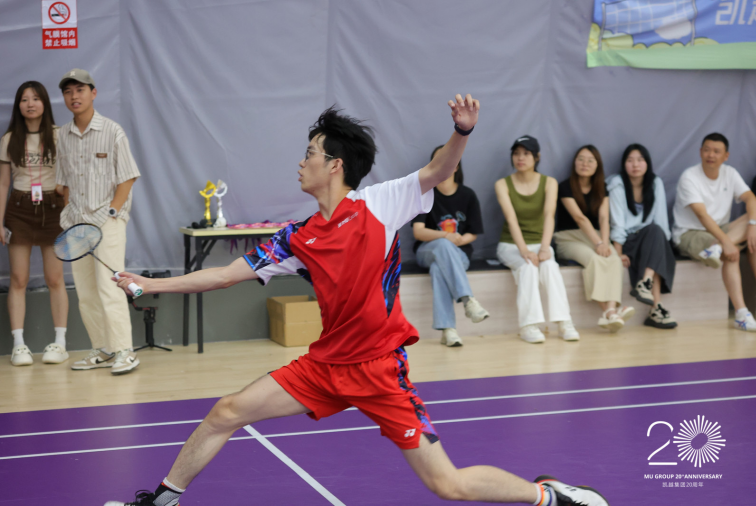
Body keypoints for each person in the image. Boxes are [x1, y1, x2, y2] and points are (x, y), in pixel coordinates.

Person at [105, 96, 608, 506]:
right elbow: (221, 276)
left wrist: (462, 131)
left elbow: (439, 169)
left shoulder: (379, 204)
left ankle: (550, 496)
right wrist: (151, 284)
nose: (301, 161)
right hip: (325, 366)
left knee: (447, 484)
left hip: (379, 369)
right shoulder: (296, 237)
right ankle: (161, 502)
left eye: (310, 153)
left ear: (335, 165)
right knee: (226, 411)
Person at [55, 69, 142, 374]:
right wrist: (70, 216)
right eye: (68, 92)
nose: (74, 96)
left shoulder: (112, 131)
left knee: (110, 287)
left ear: (93, 93)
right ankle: (103, 349)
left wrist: (112, 213)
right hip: (76, 225)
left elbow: (128, 177)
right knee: (86, 292)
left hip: (107, 223)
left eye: (80, 90)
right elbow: (63, 183)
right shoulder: (62, 135)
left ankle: (125, 351)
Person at [0, 81, 69, 366]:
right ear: (18, 105)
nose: (30, 104)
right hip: (19, 208)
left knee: (55, 278)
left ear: (45, 103)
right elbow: (3, 183)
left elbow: (69, 178)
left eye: (36, 98)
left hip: (54, 207)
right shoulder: (9, 139)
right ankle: (19, 345)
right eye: (25, 99)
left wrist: (70, 211)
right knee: (19, 279)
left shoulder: (60, 135)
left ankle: (60, 343)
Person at [672, 132, 756, 331]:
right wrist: (727, 243)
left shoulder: (730, 173)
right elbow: (702, 215)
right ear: (700, 152)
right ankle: (741, 315)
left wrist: (753, 225)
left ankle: (717, 248)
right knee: (731, 254)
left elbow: (752, 199)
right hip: (690, 233)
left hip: (720, 231)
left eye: (716, 151)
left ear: (726, 156)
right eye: (707, 150)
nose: (710, 155)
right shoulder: (689, 177)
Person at [495, 135, 579, 343]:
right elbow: (511, 219)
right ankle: (529, 326)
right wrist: (524, 250)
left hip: (540, 242)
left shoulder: (549, 182)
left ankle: (564, 322)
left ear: (537, 157)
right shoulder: (502, 184)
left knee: (550, 266)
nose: (520, 158)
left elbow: (550, 215)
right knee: (528, 267)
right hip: (511, 245)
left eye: (526, 153)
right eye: (516, 153)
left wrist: (544, 247)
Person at [411, 145, 489, 347]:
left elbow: (473, 233)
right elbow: (418, 232)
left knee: (439, 269)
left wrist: (461, 240)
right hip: (427, 250)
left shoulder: (468, 195)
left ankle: (448, 330)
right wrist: (446, 235)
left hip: (459, 253)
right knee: (443, 246)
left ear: (456, 166)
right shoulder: (425, 193)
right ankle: (468, 300)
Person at [554, 145, 634, 332]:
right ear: (574, 162)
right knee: (595, 259)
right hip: (568, 238)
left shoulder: (602, 187)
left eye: (590, 160)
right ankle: (609, 312)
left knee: (614, 259)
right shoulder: (564, 186)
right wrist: (599, 243)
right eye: (581, 159)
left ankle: (610, 311)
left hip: (596, 235)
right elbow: (579, 218)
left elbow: (604, 218)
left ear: (597, 165)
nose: (585, 164)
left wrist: (605, 243)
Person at [608, 144, 677, 329]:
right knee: (656, 238)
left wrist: (661, 245)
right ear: (624, 164)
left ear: (647, 163)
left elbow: (661, 220)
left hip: (649, 238)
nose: (635, 165)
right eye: (630, 160)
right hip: (627, 240)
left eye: (640, 160)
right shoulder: (617, 184)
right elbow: (617, 223)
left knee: (657, 232)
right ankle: (656, 307)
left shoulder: (655, 183)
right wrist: (618, 253)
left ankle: (646, 283)